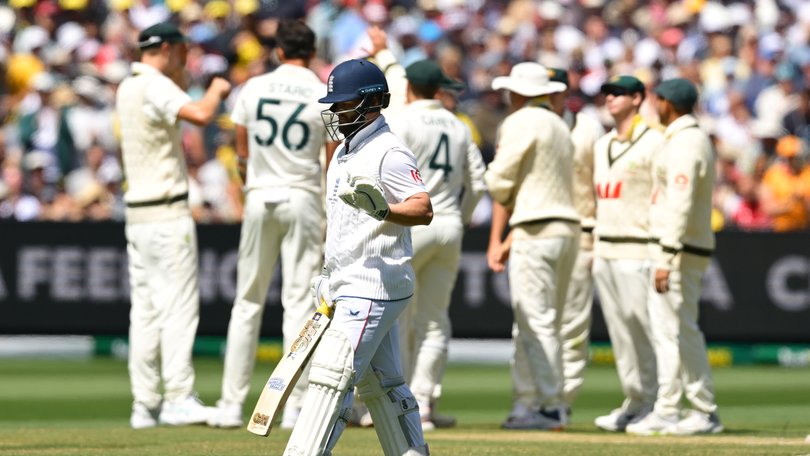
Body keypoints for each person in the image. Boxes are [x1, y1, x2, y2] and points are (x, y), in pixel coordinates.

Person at [283, 59, 432, 455]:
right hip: (351, 281)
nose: (336, 112)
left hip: (374, 283)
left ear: (371, 104)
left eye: (344, 104)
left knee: (332, 375)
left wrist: (385, 210)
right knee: (381, 383)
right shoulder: (345, 151)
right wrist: (329, 277)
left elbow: (423, 209)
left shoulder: (389, 151)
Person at [207, 19, 335, 430]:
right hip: (303, 197)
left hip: (261, 194)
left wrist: (253, 187)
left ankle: (230, 404)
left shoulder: (254, 87)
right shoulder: (322, 93)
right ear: (311, 53)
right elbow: (332, 161)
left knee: (247, 302)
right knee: (299, 302)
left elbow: (241, 154)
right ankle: (293, 406)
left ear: (279, 51)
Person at [115, 21, 231, 429]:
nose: (185, 58)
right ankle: (179, 397)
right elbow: (199, 115)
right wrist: (217, 90)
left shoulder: (127, 86)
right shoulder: (155, 84)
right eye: (181, 51)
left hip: (137, 215)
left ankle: (144, 404)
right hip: (166, 213)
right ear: (165, 48)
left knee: (145, 312)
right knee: (178, 309)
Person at [387, 59, 487, 430]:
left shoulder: (402, 119)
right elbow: (479, 183)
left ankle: (393, 403)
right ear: (438, 88)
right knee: (433, 321)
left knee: (396, 316)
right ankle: (424, 404)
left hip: (413, 224)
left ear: (409, 87)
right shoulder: (458, 125)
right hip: (448, 226)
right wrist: (459, 217)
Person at [485, 62, 580, 430]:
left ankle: (550, 406)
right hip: (565, 229)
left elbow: (500, 180)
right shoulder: (559, 123)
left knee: (535, 322)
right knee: (544, 322)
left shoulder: (521, 122)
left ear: (519, 92)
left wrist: (491, 182)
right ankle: (530, 404)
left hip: (536, 228)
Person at [626, 78, 723, 436]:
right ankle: (698, 409)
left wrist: (666, 256)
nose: (655, 106)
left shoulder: (687, 141)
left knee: (674, 331)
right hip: (678, 247)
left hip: (678, 251)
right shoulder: (681, 138)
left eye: (658, 100)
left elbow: (680, 204)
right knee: (678, 330)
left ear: (669, 103)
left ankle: (676, 409)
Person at [590, 75, 665, 432]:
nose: (611, 99)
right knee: (621, 334)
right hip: (605, 248)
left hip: (639, 249)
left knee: (645, 330)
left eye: (619, 93)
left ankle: (660, 403)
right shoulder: (601, 143)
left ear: (638, 98)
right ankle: (636, 401)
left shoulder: (655, 141)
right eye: (608, 93)